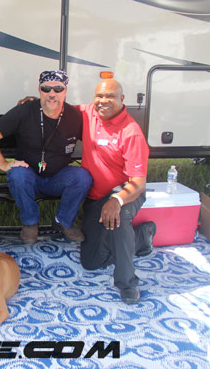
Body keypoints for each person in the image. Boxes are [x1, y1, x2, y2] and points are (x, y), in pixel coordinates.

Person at [0, 70, 92, 244]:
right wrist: (3, 164)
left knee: (82, 177)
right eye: (46, 89)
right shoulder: (24, 110)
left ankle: (63, 222)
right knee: (16, 173)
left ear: (65, 91)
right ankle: (30, 222)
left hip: (58, 177)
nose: (52, 94)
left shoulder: (75, 116)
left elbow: (95, 142)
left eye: (58, 89)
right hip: (29, 175)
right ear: (39, 90)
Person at [78, 78, 156, 305]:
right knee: (91, 262)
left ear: (122, 99)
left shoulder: (131, 132)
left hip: (125, 192)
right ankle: (141, 238)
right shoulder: (88, 113)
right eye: (99, 96)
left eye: (110, 96)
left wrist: (117, 200)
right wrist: (33, 104)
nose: (103, 101)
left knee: (118, 220)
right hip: (96, 197)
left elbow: (138, 183)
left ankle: (127, 282)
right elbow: (57, 108)